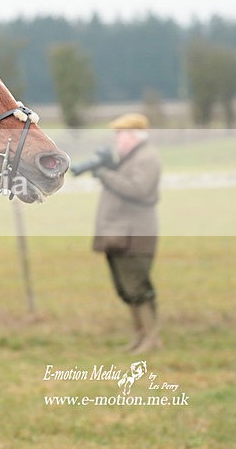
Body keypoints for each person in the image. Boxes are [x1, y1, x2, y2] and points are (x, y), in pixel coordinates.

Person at [91, 113, 162, 353]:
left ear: (134, 136)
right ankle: (141, 335)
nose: (117, 140)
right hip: (122, 234)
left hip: (136, 235)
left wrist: (105, 174)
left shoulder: (146, 158)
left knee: (138, 288)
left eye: (120, 135)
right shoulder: (129, 158)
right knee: (127, 289)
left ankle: (151, 339)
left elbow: (139, 190)